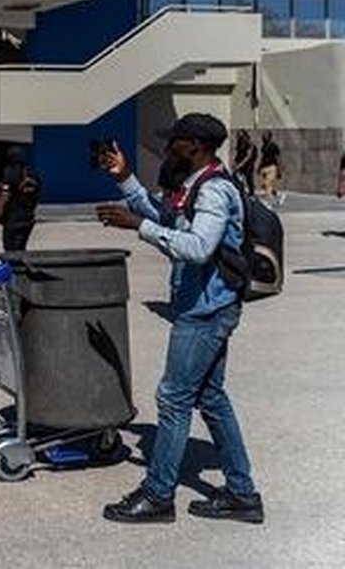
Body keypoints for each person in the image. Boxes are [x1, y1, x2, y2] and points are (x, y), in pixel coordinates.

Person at [96, 113, 263, 525]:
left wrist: (138, 225)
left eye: (175, 141)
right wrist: (126, 180)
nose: (168, 147)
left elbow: (198, 247)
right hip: (206, 306)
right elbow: (167, 219)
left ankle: (158, 496)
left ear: (195, 146)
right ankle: (242, 495)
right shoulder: (197, 184)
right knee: (211, 398)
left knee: (173, 398)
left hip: (205, 311)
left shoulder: (214, 190)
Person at [0, 146, 40, 252]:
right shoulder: (32, 174)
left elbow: (2, 201)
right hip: (28, 220)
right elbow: (36, 197)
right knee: (21, 249)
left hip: (12, 220)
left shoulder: (10, 173)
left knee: (10, 251)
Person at [231, 130, 258, 197]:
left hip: (248, 165)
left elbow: (248, 156)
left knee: (249, 178)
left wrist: (240, 164)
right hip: (240, 163)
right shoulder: (239, 142)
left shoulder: (249, 143)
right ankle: (239, 191)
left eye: (241, 136)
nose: (239, 138)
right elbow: (238, 154)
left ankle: (251, 193)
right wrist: (235, 162)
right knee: (235, 177)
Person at [258, 131, 282, 202]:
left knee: (268, 182)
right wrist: (259, 166)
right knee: (264, 184)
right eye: (263, 136)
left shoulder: (274, 146)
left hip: (271, 166)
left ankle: (269, 199)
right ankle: (275, 194)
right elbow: (263, 157)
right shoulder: (263, 146)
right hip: (264, 166)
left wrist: (279, 169)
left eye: (265, 136)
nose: (263, 137)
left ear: (269, 137)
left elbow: (278, 157)